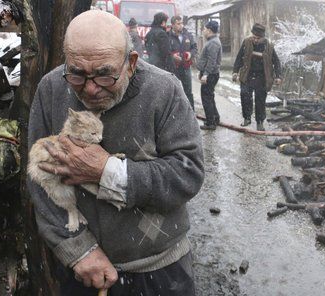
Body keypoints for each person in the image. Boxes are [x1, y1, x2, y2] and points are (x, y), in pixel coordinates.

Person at [27, 10, 204, 296]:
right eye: (77, 74)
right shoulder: (51, 88)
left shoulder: (164, 89)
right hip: (84, 272)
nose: (90, 88)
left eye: (105, 75)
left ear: (131, 62)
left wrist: (107, 171)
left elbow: (188, 173)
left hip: (160, 270)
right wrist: (78, 250)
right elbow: (38, 181)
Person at [232, 23, 282, 131]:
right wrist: (235, 72)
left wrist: (278, 76)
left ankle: (260, 122)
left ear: (263, 37)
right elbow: (239, 57)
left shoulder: (268, 46)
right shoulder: (246, 42)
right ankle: (247, 118)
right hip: (247, 75)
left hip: (262, 77)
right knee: (245, 96)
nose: (255, 40)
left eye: (258, 38)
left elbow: (276, 61)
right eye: (254, 37)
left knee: (260, 100)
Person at [196, 20, 222, 130]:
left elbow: (212, 61)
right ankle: (215, 118)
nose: (203, 31)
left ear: (210, 30)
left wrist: (205, 74)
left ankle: (210, 123)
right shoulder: (212, 41)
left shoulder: (213, 43)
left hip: (211, 74)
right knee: (209, 96)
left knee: (206, 97)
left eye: (205, 29)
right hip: (210, 73)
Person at [168, 15, 197, 110]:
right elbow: (164, 52)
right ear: (172, 25)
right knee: (175, 91)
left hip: (186, 68)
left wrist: (190, 54)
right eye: (178, 24)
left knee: (188, 91)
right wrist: (172, 57)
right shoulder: (167, 36)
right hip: (174, 69)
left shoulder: (187, 35)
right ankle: (176, 112)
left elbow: (194, 48)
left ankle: (191, 112)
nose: (181, 25)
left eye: (182, 23)